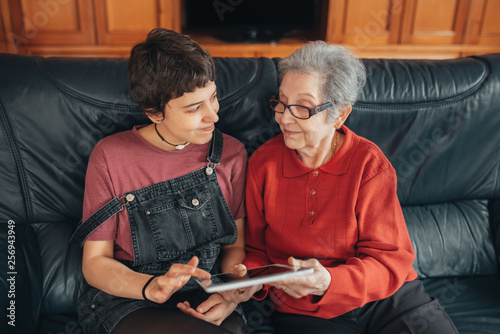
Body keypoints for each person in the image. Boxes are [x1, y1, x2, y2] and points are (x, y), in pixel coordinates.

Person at [228, 41, 459, 333]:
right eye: (282, 102)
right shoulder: (263, 164)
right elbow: (257, 249)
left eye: (302, 107)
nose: (284, 118)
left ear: (339, 115)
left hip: (383, 299)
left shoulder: (369, 164)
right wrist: (246, 281)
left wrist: (329, 281)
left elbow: (390, 259)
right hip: (305, 307)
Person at [70, 28, 248, 334]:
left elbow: (235, 248)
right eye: (194, 108)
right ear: (154, 113)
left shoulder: (231, 153)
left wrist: (231, 294)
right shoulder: (110, 157)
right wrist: (150, 286)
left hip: (204, 292)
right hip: (130, 297)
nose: (213, 116)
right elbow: (95, 263)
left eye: (213, 97)